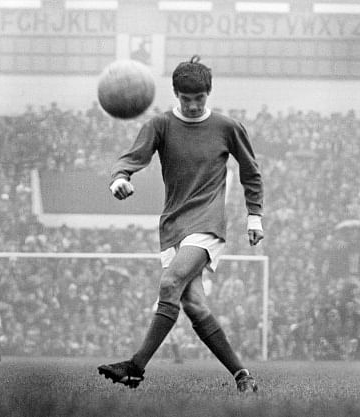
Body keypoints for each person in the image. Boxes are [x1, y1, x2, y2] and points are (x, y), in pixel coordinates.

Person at [98, 55, 264, 393]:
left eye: (199, 98)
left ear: (208, 94)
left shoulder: (227, 127)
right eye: (185, 98)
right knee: (194, 306)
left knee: (170, 282)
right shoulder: (159, 125)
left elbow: (251, 172)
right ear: (176, 94)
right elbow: (133, 157)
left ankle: (136, 366)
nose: (192, 105)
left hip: (207, 223)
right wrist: (119, 177)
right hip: (173, 226)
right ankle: (243, 376)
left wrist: (254, 215)